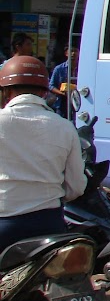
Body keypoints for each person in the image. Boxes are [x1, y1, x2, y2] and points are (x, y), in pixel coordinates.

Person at [0, 55, 87, 252]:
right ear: (44, 92)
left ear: (6, 91)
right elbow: (76, 187)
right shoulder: (65, 127)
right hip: (49, 226)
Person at [48, 45, 78, 118]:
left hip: (77, 101)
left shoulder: (82, 68)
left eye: (75, 51)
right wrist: (61, 93)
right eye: (71, 51)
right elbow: (51, 86)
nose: (73, 53)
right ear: (66, 53)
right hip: (62, 103)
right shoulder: (59, 69)